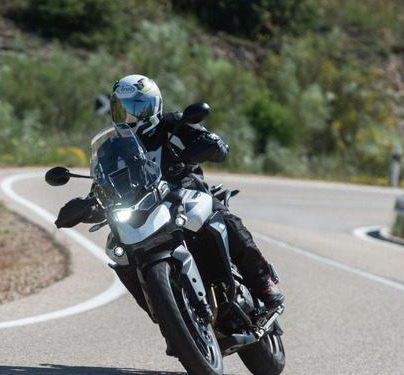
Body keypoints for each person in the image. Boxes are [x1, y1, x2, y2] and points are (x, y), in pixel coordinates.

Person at [58, 74, 284, 310]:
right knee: (122, 254)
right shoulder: (110, 148)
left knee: (225, 220)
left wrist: (202, 149)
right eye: (122, 109)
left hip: (186, 194)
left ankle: (263, 282)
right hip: (142, 208)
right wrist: (87, 205)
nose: (130, 116)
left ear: (154, 107)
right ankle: (168, 322)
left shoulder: (174, 124)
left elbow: (217, 147)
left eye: (137, 108)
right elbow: (102, 186)